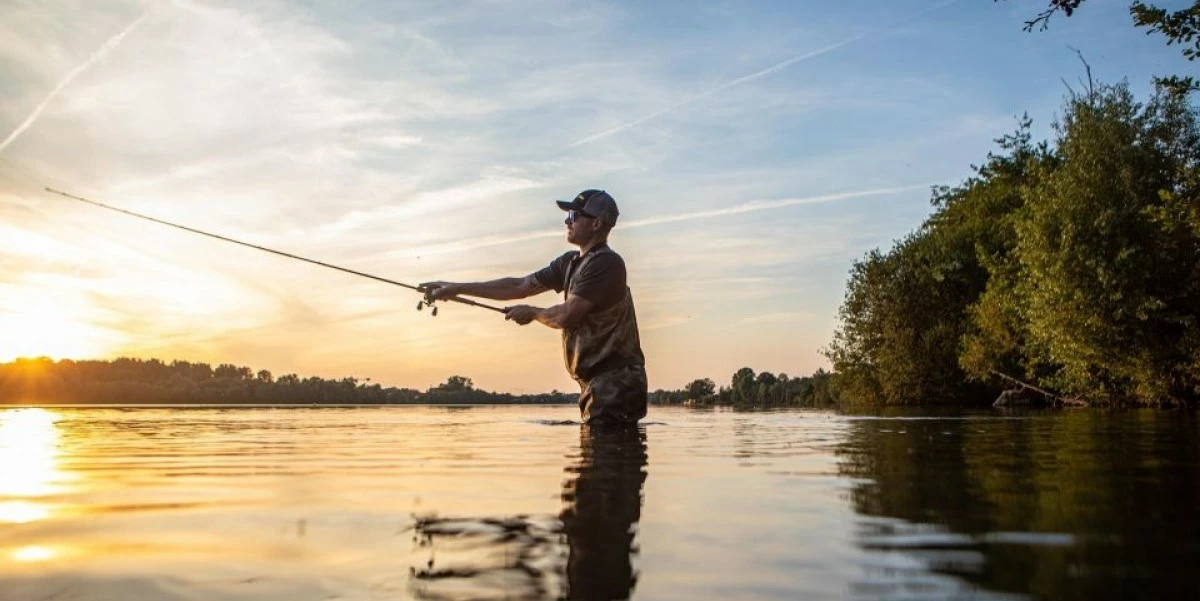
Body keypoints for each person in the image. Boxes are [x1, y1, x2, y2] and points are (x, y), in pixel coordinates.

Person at [421, 189, 647, 425]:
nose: (567, 221)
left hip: (616, 381)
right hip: (596, 383)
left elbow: (567, 315)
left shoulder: (606, 263)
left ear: (596, 223)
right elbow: (520, 285)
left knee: (604, 456)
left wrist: (533, 313)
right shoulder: (569, 263)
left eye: (574, 215)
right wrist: (456, 287)